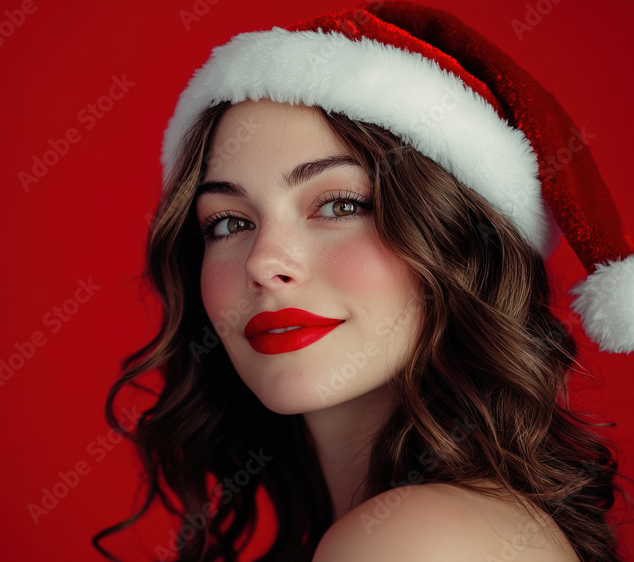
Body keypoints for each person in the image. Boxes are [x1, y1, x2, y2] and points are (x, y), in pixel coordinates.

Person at [94, 2, 633, 561]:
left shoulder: (415, 541)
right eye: (230, 223)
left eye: (341, 205)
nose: (263, 262)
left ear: (459, 248)